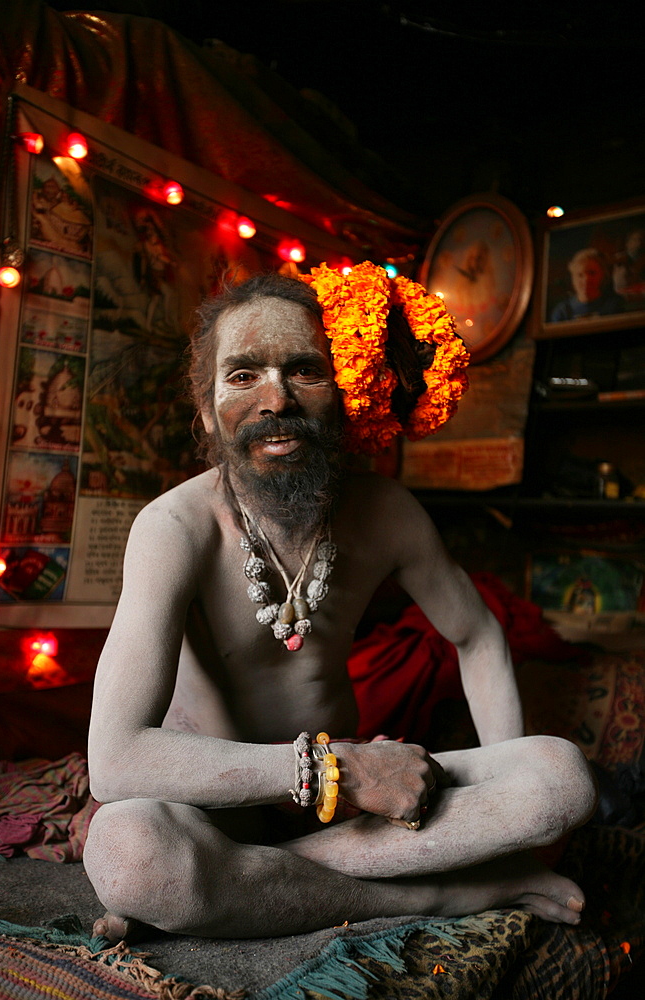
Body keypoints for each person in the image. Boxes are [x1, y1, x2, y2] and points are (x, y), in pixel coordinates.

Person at [84, 264, 597, 942]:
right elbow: (115, 759)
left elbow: (475, 636)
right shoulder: (173, 528)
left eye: (303, 371)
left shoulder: (387, 514)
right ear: (206, 410)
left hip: (349, 814)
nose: (276, 400)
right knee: (129, 853)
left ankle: (247, 888)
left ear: (341, 396)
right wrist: (341, 768)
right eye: (242, 375)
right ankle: (441, 896)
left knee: (558, 778)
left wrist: (487, 816)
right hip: (217, 807)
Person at [550, 247, 624, 322]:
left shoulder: (614, 306)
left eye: (592, 273)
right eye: (580, 275)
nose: (586, 280)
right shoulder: (562, 312)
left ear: (603, 275)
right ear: (573, 279)